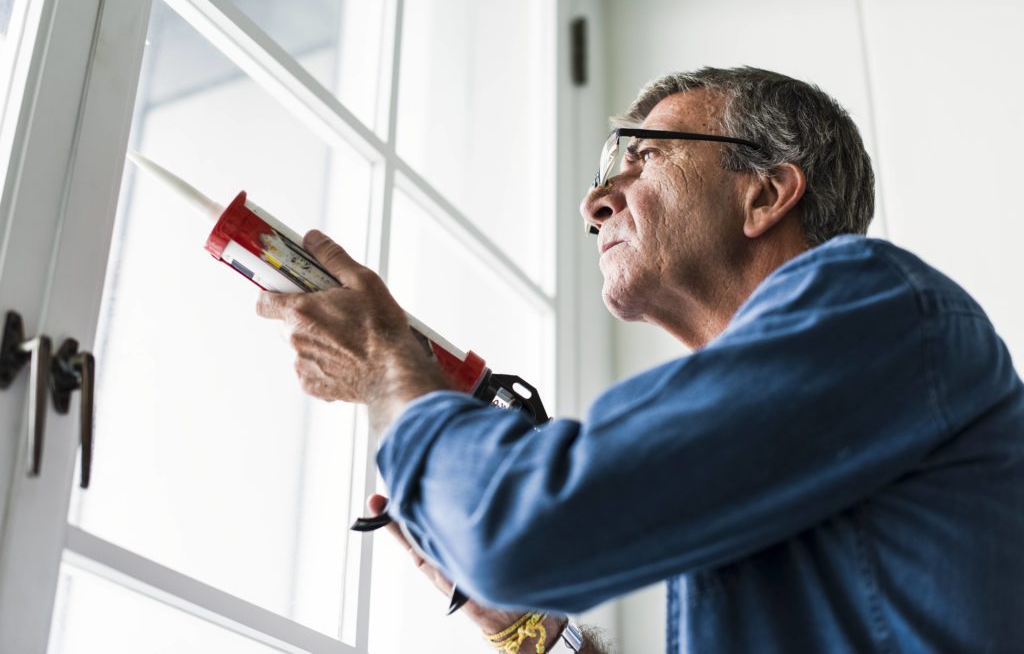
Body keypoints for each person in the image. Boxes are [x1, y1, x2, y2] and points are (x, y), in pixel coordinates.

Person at [256, 67, 1024, 653]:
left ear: (766, 194)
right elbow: (516, 548)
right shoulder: (773, 448)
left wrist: (389, 362)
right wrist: (535, 632)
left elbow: (510, 535)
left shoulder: (871, 300)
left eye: (645, 155)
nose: (596, 200)